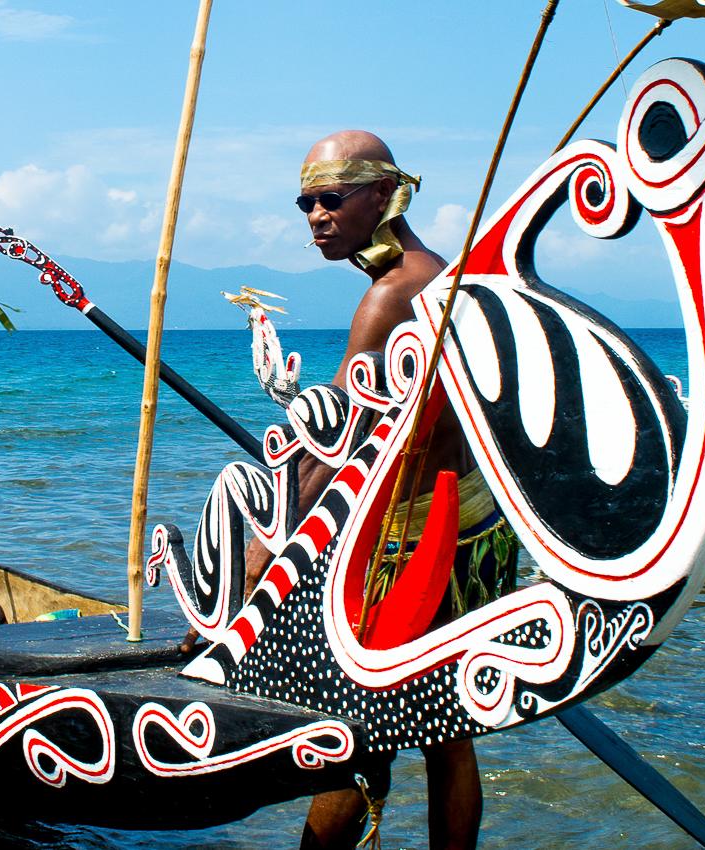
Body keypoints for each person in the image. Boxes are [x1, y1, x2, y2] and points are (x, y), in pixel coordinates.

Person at [274, 131, 508, 850]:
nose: (316, 215)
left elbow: (327, 450)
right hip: (480, 528)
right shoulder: (441, 273)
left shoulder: (389, 297)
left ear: (382, 195)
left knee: (355, 727)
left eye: (331, 199)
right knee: (447, 733)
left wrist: (264, 553)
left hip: (415, 545)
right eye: (305, 202)